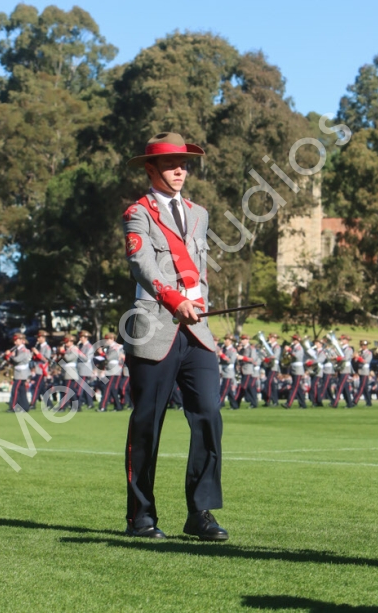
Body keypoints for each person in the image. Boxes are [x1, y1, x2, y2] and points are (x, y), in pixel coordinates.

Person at [120, 131, 227, 541]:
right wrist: (172, 299)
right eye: (170, 164)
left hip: (197, 330)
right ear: (151, 169)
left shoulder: (200, 214)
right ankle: (141, 516)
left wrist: (198, 304)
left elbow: (199, 271)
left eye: (183, 164)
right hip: (153, 327)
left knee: (209, 416)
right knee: (147, 422)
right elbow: (142, 265)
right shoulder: (138, 213)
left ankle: (200, 513)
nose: (180, 170)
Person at [6, 333, 31, 413]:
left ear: (21, 340)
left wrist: (10, 355)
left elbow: (17, 359)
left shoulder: (24, 350)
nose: (15, 342)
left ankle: (13, 406)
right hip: (18, 372)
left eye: (16, 340)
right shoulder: (17, 350)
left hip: (21, 373)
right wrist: (9, 357)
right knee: (21, 391)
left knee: (15, 389)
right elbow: (14, 361)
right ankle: (25, 407)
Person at [282, 334, 307, 409]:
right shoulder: (294, 347)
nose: (293, 340)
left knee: (294, 387)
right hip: (293, 368)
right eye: (293, 339)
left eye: (295, 339)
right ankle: (303, 404)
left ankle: (288, 403)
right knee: (297, 387)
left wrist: (289, 350)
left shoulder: (299, 347)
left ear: (298, 340)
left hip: (298, 369)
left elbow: (296, 356)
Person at [235, 334, 260, 408]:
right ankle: (253, 403)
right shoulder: (242, 349)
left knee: (243, 387)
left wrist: (243, 358)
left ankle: (236, 403)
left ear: (248, 340)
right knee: (250, 387)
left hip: (248, 370)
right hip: (243, 370)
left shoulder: (251, 348)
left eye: (244, 339)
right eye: (242, 339)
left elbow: (253, 359)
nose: (242, 341)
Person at [29, 329, 52, 410]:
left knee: (36, 387)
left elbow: (46, 359)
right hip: (38, 368)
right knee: (42, 389)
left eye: (39, 337)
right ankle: (49, 404)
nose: (38, 339)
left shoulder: (47, 347)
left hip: (42, 370)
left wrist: (37, 353)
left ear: (43, 338)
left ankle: (33, 403)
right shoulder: (39, 346)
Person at [331, 334, 354, 408]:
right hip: (341, 368)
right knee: (345, 388)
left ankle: (335, 403)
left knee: (340, 386)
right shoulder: (341, 349)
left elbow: (346, 358)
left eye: (343, 339)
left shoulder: (349, 349)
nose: (341, 341)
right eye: (341, 339)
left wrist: (336, 358)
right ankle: (349, 404)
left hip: (345, 369)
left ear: (347, 341)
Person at [218, 334, 238, 409]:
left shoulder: (232, 350)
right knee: (229, 390)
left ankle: (219, 403)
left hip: (228, 372)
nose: (225, 341)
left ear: (230, 341)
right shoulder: (223, 348)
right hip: (223, 370)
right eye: (225, 339)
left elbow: (231, 360)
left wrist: (222, 355)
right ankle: (234, 405)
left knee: (224, 389)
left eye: (227, 339)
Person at [76, 331, 94, 409]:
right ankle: (90, 403)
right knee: (85, 387)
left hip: (85, 369)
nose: (80, 338)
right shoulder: (81, 346)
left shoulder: (89, 346)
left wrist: (78, 352)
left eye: (81, 337)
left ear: (86, 338)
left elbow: (86, 358)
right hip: (80, 368)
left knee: (80, 387)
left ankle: (79, 402)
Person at [353, 340, 373, 406]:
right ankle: (369, 402)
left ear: (366, 346)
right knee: (364, 388)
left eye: (364, 345)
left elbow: (366, 361)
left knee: (361, 387)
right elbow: (355, 361)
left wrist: (358, 357)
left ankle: (355, 401)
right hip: (360, 371)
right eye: (361, 345)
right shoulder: (360, 352)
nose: (362, 346)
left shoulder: (369, 353)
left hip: (365, 371)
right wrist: (355, 357)